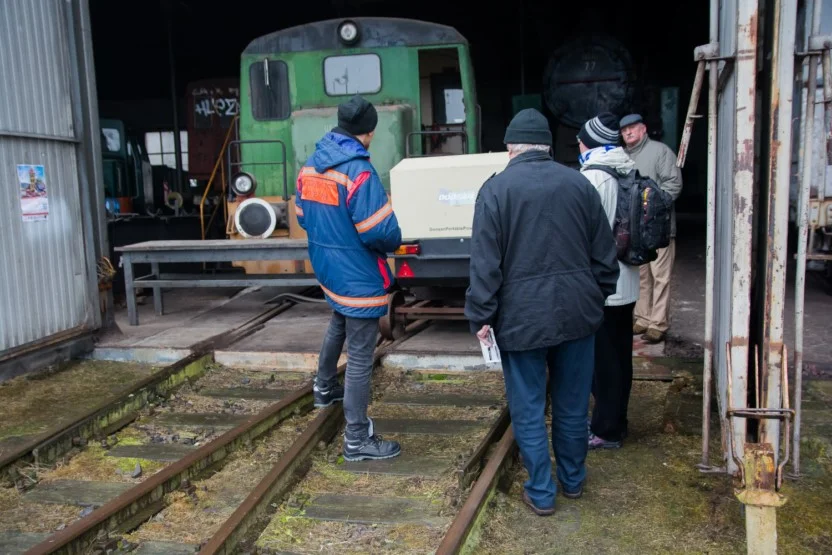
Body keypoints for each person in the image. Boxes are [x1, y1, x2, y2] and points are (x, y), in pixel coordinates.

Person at [465, 108, 619, 516]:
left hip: (520, 319)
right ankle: (573, 481)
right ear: (549, 147)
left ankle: (542, 491)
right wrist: (594, 297)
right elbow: (605, 256)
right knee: (571, 404)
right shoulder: (580, 185)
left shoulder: (495, 191)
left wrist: (481, 315)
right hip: (577, 316)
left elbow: (485, 264)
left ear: (511, 148)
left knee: (528, 407)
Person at [296, 95, 403, 462]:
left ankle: (324, 389)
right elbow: (380, 232)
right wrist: (397, 238)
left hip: (328, 267)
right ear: (368, 133)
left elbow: (302, 215)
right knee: (360, 357)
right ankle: (357, 439)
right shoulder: (358, 171)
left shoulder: (311, 165)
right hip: (358, 273)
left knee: (338, 321)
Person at [577, 112, 640, 450]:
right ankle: (616, 420)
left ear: (589, 141)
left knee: (603, 363)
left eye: (580, 139)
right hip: (626, 280)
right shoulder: (626, 167)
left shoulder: (595, 178)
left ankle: (605, 429)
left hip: (602, 286)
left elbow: (589, 234)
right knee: (620, 356)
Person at [620, 113, 683, 344]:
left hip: (659, 228)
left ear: (643, 129)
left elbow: (674, 184)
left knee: (661, 276)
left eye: (632, 128)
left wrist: (653, 206)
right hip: (634, 230)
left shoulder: (660, 152)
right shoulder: (622, 156)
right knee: (641, 275)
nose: (628, 133)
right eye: (624, 130)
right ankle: (643, 318)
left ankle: (658, 324)